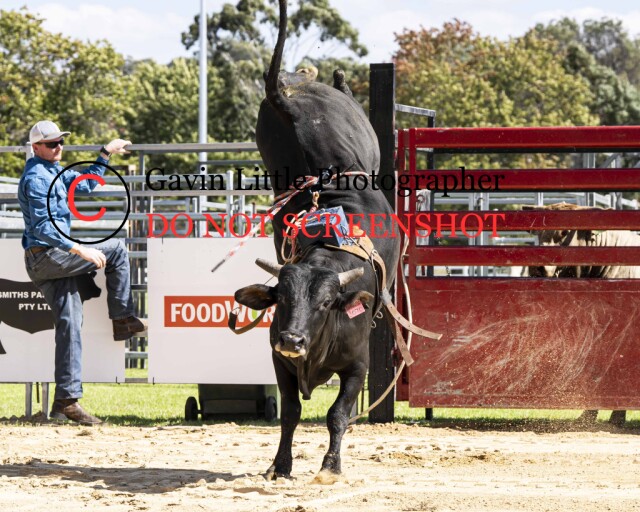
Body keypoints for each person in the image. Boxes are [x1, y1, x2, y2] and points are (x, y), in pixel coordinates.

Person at [18, 120, 146, 426]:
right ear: (36, 147)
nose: (58, 147)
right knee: (116, 249)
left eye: (60, 141)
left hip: (49, 258)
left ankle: (66, 402)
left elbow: (86, 184)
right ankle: (122, 318)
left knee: (70, 325)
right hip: (47, 257)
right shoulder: (37, 177)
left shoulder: (54, 171)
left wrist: (105, 154)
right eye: (52, 143)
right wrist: (79, 249)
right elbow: (43, 227)